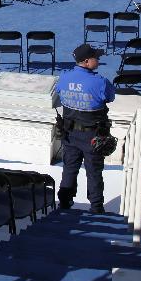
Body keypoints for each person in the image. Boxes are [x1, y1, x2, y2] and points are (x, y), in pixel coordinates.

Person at [54, 44, 115, 213]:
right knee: (94, 172)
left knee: (69, 169)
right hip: (93, 137)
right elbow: (110, 97)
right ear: (87, 61)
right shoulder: (100, 82)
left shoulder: (64, 78)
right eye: (96, 57)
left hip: (69, 134)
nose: (99, 59)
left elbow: (59, 93)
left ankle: (65, 203)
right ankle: (96, 207)